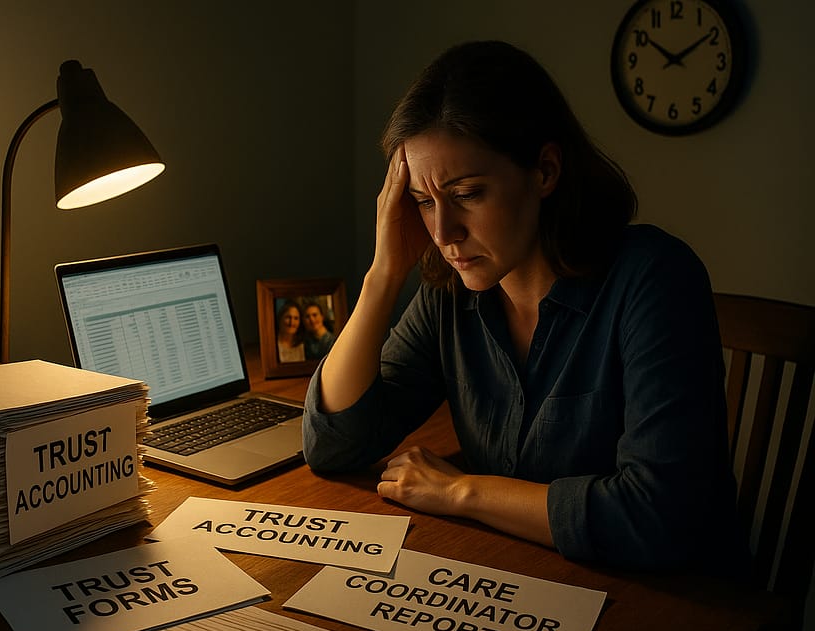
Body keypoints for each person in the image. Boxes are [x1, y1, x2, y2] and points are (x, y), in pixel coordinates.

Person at [302, 40, 746, 574]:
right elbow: (333, 446)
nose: (443, 232)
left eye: (467, 194)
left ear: (545, 171)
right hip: (527, 576)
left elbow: (657, 518)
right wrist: (383, 275)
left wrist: (463, 491)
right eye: (423, 202)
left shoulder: (653, 278)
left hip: (672, 609)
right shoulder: (451, 291)